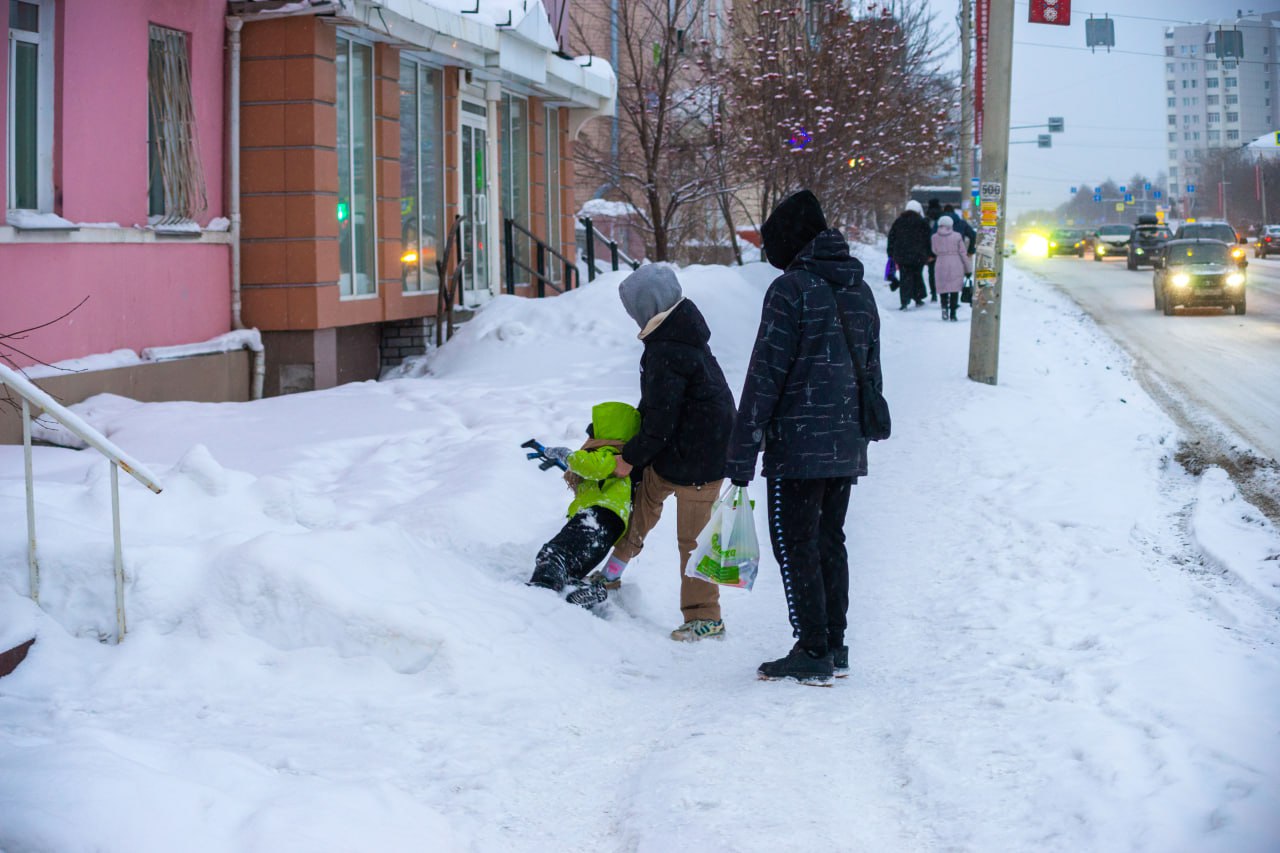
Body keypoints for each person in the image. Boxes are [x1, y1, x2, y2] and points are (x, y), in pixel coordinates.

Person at [725, 189, 884, 684]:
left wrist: (741, 453)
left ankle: (812, 649)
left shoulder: (790, 290)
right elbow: (872, 370)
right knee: (829, 539)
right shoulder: (858, 288)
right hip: (845, 441)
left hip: (797, 444)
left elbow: (764, 375)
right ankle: (834, 644)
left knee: (796, 543)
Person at [597, 264, 736, 642]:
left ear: (646, 307)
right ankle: (609, 577)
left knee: (693, 541)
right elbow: (658, 406)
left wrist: (630, 458)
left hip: (701, 460)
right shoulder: (680, 334)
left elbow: (661, 419)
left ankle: (706, 617)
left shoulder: (667, 349)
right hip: (678, 451)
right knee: (638, 515)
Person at [528, 402, 642, 608]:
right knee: (570, 568)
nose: (588, 440)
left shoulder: (610, 453)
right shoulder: (622, 463)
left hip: (596, 518)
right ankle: (581, 590)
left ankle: (539, 593)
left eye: (591, 435)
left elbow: (591, 466)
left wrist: (567, 455)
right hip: (607, 529)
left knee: (554, 555)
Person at [887, 200, 932, 310]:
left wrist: (891, 253)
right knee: (917, 276)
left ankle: (904, 301)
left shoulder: (899, 221)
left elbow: (891, 237)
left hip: (902, 256)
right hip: (918, 256)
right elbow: (928, 239)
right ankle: (918, 298)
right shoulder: (922, 222)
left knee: (905, 278)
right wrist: (930, 253)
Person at [931, 215, 971, 322]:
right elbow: (963, 253)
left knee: (943, 288)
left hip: (941, 263)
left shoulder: (934, 237)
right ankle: (953, 314)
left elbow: (934, 250)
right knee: (954, 289)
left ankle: (944, 307)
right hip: (956, 263)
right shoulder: (957, 236)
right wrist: (968, 269)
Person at [924, 198, 944, 302]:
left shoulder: (927, 218)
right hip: (943, 250)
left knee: (932, 273)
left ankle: (934, 293)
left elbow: (924, 236)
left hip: (930, 250)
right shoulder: (943, 218)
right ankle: (943, 293)